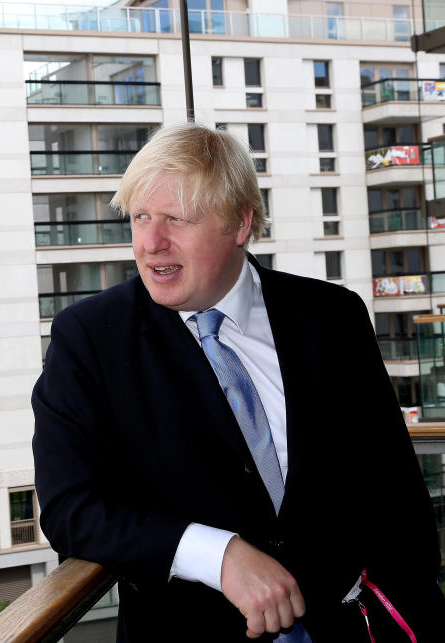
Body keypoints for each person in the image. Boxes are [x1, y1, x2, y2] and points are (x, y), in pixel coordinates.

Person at [31, 122, 444, 641]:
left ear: (240, 224)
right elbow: (71, 509)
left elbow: (398, 496)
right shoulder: (89, 338)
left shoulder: (331, 317)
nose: (151, 243)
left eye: (175, 219)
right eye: (140, 217)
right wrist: (217, 554)